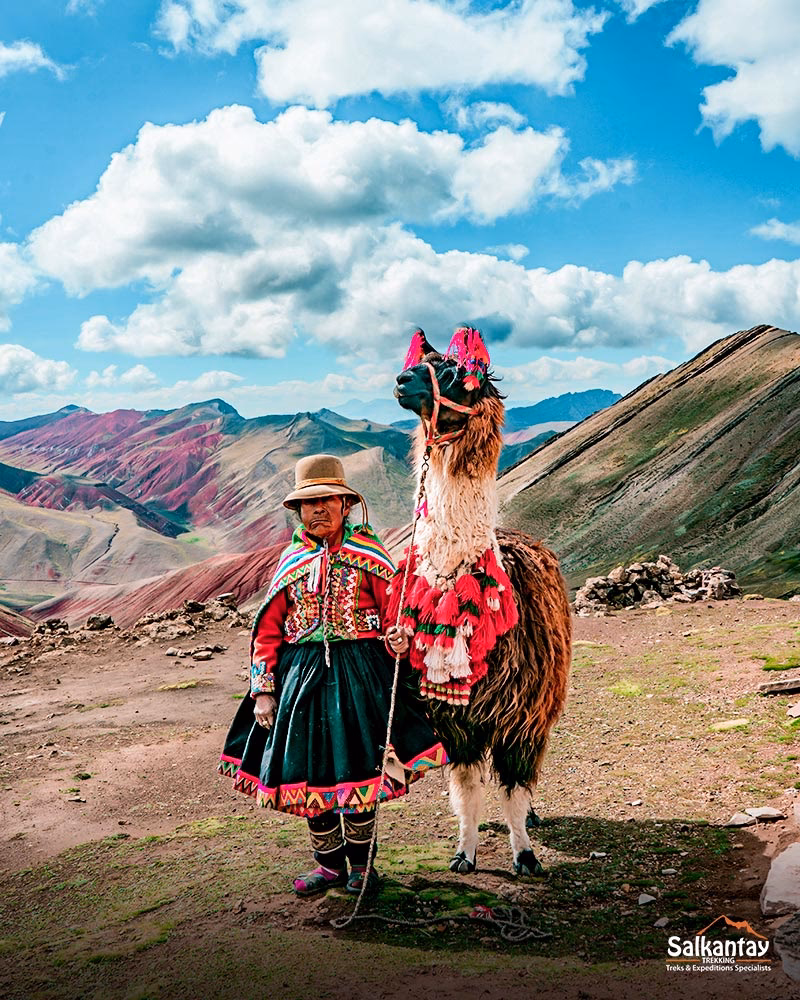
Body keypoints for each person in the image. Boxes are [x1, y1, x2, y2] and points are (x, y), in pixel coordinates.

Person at [218, 454, 447, 897]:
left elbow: (395, 617)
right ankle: (329, 867)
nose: (317, 510)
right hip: (299, 682)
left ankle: (362, 868)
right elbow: (266, 632)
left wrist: (400, 637)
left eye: (327, 500)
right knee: (310, 774)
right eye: (308, 504)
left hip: (361, 679)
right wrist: (263, 692)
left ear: (346, 505)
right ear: (298, 512)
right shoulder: (292, 561)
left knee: (360, 774)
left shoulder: (372, 557)